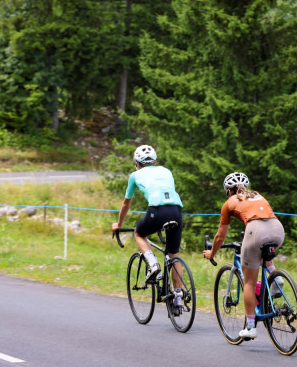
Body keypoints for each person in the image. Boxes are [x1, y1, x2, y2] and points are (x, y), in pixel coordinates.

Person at [202, 172, 285, 339]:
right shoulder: (258, 195)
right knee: (263, 254)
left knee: (248, 281)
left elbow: (220, 236)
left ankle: (250, 326)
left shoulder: (230, 202)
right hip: (277, 229)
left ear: (229, 191)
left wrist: (212, 253)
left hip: (256, 231)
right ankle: (276, 277)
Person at [112, 145, 185, 312]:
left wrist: (119, 225)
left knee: (139, 233)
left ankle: (153, 264)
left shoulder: (134, 175)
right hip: (176, 211)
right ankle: (178, 297)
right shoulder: (166, 171)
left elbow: (126, 203)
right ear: (155, 161)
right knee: (174, 254)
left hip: (157, 211)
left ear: (136, 163)